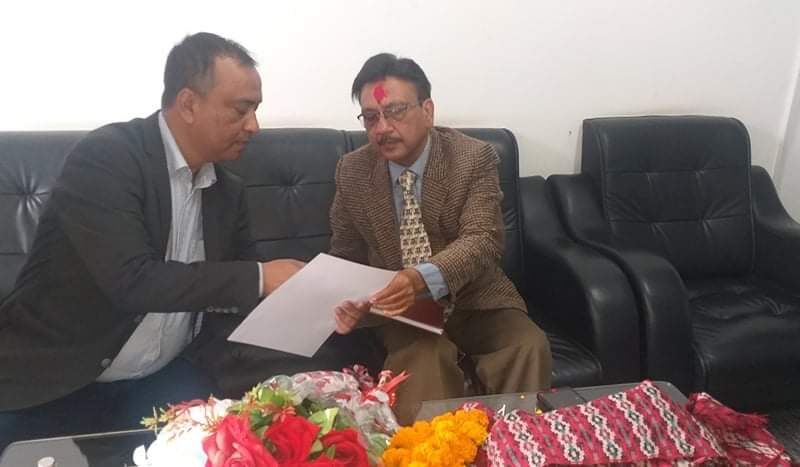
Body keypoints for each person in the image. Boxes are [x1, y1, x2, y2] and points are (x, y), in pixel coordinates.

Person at [0, 32, 304, 450]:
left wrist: (313, 302)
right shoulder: (107, 158)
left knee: (230, 449)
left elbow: (242, 290)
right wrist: (259, 277)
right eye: (241, 109)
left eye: (256, 109)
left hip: (163, 376)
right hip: (59, 375)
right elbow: (132, 281)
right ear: (188, 104)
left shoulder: (227, 190)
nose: (254, 125)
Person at [330, 53, 553, 424]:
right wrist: (348, 299)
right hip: (403, 311)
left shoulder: (473, 157)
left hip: (476, 296)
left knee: (526, 345)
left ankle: (515, 442)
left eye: (395, 111)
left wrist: (419, 277)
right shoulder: (352, 170)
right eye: (370, 117)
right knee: (424, 361)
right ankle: (433, 450)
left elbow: (483, 240)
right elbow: (345, 254)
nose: (382, 128)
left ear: (428, 110)